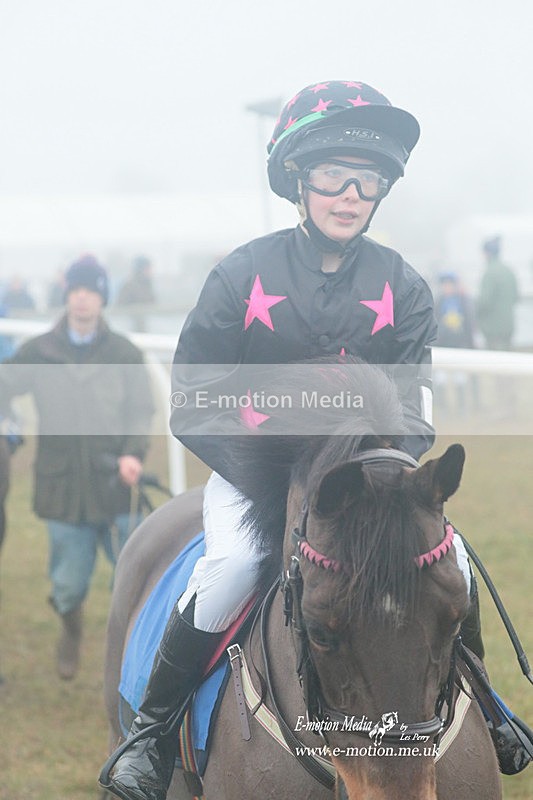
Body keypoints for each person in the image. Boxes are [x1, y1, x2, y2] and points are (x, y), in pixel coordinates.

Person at [103, 81, 529, 800]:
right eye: (334, 173)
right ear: (299, 179)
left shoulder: (406, 286)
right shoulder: (240, 275)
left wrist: (378, 468)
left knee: (446, 556)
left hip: (372, 483)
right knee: (234, 564)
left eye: (368, 179)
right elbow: (191, 399)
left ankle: (488, 708)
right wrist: (275, 478)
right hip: (254, 477)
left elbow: (415, 411)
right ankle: (151, 732)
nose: (351, 192)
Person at [0, 255, 155, 680]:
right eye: (76, 291)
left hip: (117, 485)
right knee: (67, 586)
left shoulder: (124, 352)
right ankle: (70, 632)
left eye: (91, 291)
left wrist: (133, 455)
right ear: (67, 296)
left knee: (135, 580)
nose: (82, 299)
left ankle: (134, 658)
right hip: (62, 489)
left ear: (102, 298)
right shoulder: (40, 350)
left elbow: (141, 410)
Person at [434, 271, 477, 415]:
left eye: (450, 284)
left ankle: (461, 407)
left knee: (461, 379)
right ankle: (443, 408)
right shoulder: (438, 302)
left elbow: (469, 324)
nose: (447, 287)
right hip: (443, 346)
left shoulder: (463, 301)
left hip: (459, 346)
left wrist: (470, 345)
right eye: (445, 285)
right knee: (441, 379)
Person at [476, 236, 519, 351]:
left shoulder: (489, 273)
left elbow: (484, 302)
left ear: (487, 253)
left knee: (494, 363)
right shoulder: (509, 271)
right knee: (507, 362)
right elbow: (516, 297)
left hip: (493, 329)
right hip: (508, 326)